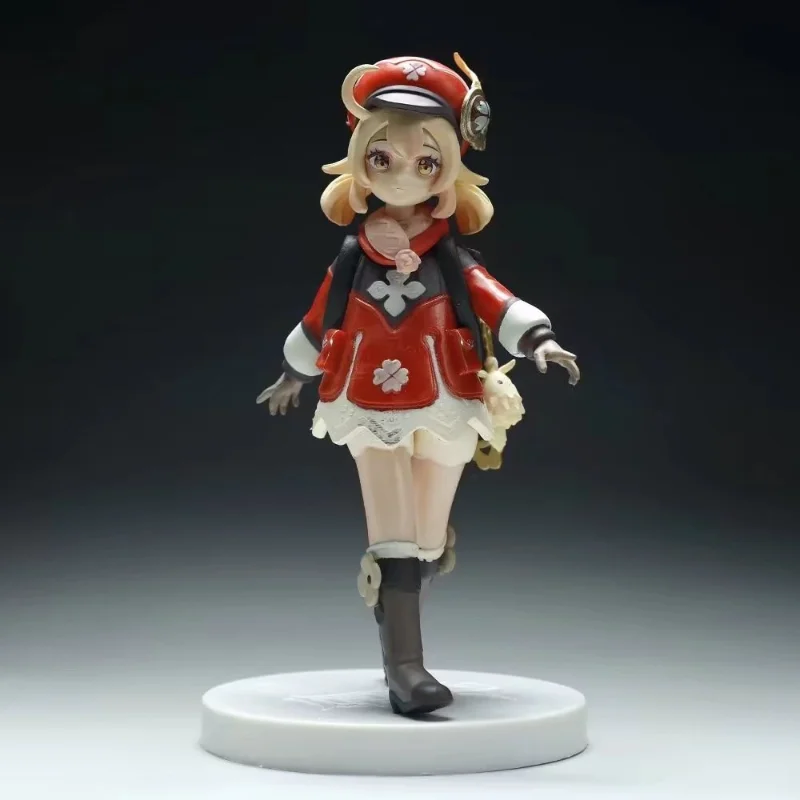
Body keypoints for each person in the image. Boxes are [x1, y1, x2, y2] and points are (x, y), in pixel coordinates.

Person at [257, 54, 580, 716]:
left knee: (427, 536)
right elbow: (319, 319)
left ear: (449, 169)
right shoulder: (352, 257)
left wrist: (538, 340)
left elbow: (495, 300)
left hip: (446, 395)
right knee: (394, 533)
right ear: (359, 162)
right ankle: (405, 666)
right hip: (364, 399)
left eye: (425, 161)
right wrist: (293, 372)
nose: (403, 173)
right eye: (383, 158)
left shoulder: (450, 257)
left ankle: (413, 577)